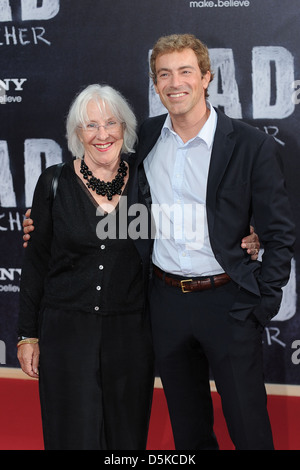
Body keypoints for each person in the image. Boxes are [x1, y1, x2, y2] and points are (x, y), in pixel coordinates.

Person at [129, 34, 294, 450]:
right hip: (165, 302)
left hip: (230, 303)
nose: (174, 82)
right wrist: (44, 215)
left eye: (185, 71)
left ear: (206, 77)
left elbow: (278, 233)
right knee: (189, 430)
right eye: (163, 74)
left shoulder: (252, 145)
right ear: (155, 84)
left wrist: (263, 301)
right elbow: (98, 182)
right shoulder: (144, 139)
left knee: (249, 426)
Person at [17, 84, 154, 450]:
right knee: (70, 434)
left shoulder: (146, 184)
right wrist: (27, 335)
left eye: (111, 123)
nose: (102, 134)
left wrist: (245, 236)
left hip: (130, 333)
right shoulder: (54, 183)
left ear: (125, 128)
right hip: (65, 333)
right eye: (90, 125)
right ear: (77, 133)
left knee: (126, 436)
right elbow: (36, 263)